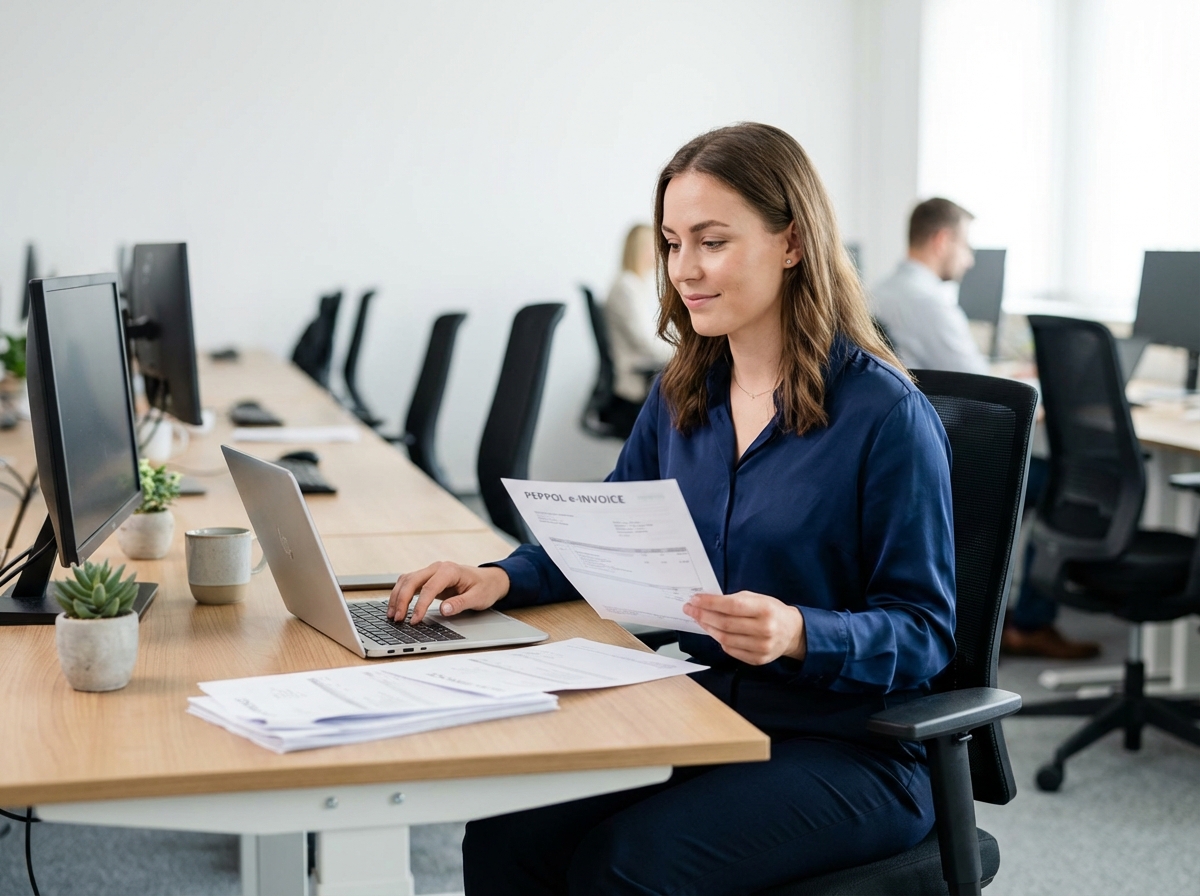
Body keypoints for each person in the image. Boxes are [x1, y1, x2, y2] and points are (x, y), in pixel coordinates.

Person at [388, 123, 956, 894]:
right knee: (508, 831)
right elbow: (610, 534)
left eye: (712, 242)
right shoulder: (684, 391)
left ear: (792, 243)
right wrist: (501, 577)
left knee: (628, 862)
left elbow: (924, 632)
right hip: (705, 708)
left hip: (852, 745)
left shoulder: (884, 416)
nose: (684, 270)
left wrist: (798, 632)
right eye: (671, 242)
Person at [872, 198, 988, 375]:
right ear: (941, 241)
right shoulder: (931, 304)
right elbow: (983, 384)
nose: (970, 261)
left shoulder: (877, 291)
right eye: (966, 246)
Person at [602, 224, 673, 436]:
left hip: (643, 375)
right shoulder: (627, 287)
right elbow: (647, 343)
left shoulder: (637, 286)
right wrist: (686, 353)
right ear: (641, 250)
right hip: (636, 383)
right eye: (654, 246)